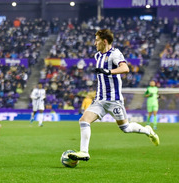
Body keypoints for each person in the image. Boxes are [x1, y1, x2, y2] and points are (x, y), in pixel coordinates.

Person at [68, 29, 160, 162]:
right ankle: (84, 152)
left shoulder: (115, 54)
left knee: (126, 128)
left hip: (114, 100)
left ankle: (148, 131)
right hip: (100, 99)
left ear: (104, 41)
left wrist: (108, 71)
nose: (95, 43)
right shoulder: (97, 56)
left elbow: (125, 68)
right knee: (83, 120)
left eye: (97, 40)